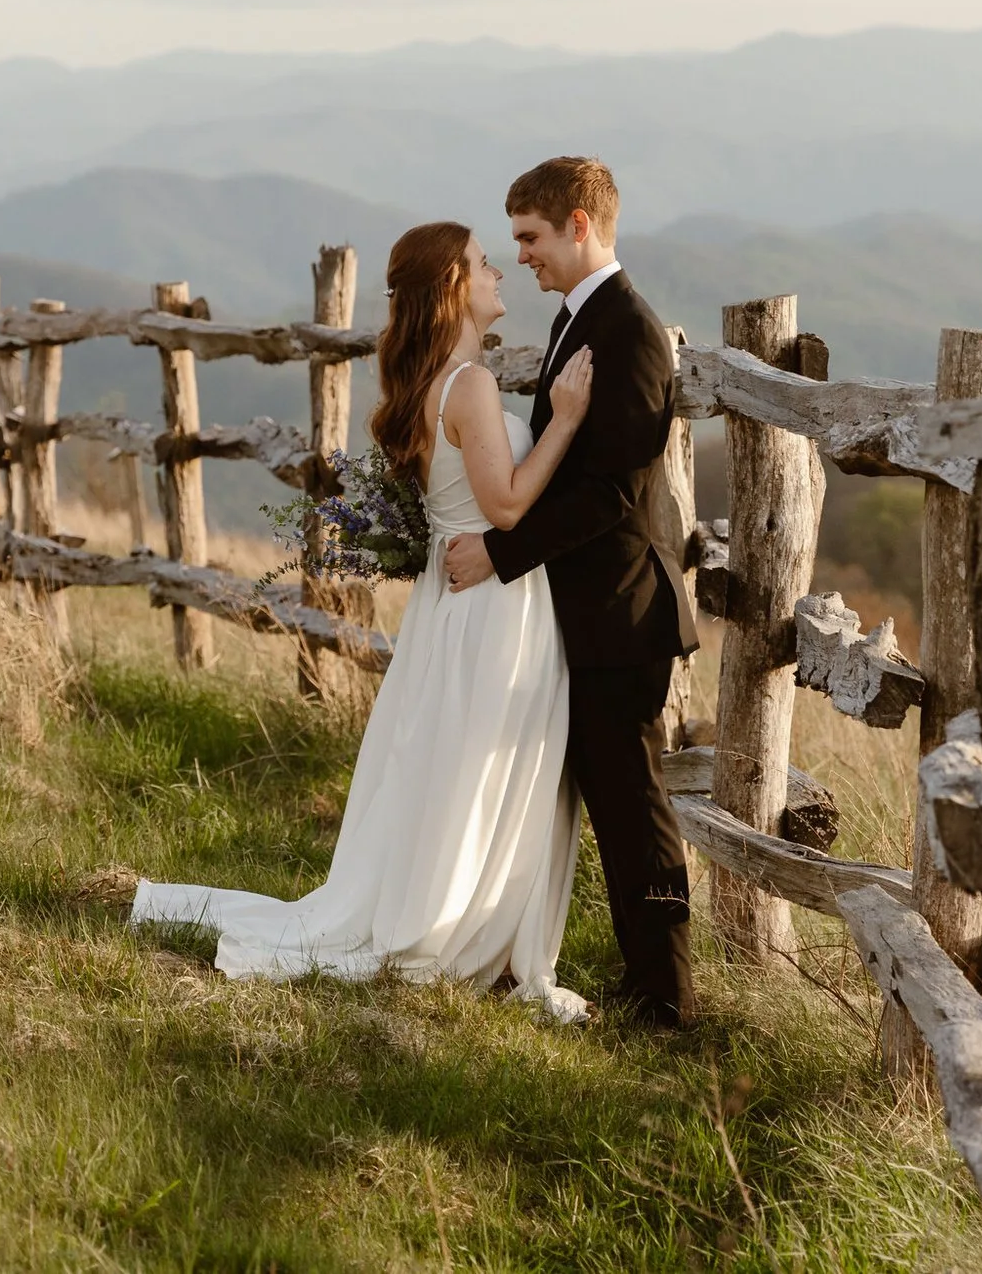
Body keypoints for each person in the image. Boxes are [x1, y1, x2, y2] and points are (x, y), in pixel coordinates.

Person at [130, 221, 599, 1023]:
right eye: (486, 264)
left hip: (458, 605)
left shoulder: (436, 385)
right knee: (480, 771)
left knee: (459, 769)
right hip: (490, 610)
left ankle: (471, 918)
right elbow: (509, 504)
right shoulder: (471, 387)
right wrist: (565, 417)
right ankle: (459, 929)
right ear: (455, 286)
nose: (500, 274)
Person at [442, 156, 701, 1030]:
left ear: (580, 224)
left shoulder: (629, 329)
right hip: (585, 614)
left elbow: (614, 494)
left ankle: (666, 999)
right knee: (607, 801)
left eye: (531, 237)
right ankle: (640, 981)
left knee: (633, 805)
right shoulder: (578, 317)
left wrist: (503, 552)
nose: (521, 256)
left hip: (623, 613)